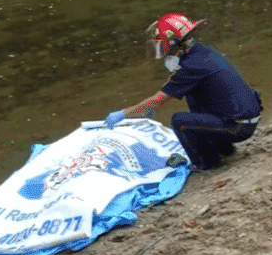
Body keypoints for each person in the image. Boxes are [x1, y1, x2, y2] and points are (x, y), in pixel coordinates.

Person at [103, 13, 262, 172]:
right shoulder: (202, 51)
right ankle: (226, 150)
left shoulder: (191, 67)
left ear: (171, 43)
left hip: (238, 128)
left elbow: (158, 99)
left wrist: (124, 114)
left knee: (180, 122)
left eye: (159, 43)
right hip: (246, 118)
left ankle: (207, 163)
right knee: (194, 98)